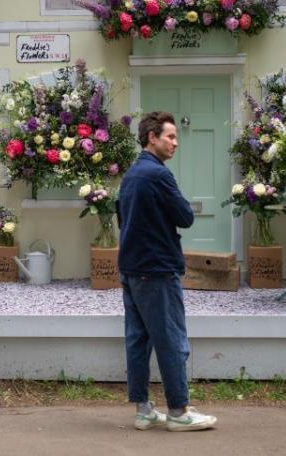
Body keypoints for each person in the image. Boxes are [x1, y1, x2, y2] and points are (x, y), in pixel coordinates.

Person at [117, 111, 217, 431]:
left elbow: (124, 220)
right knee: (172, 340)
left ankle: (143, 410)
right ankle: (178, 411)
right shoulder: (158, 175)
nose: (176, 143)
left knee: (138, 341)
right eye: (170, 137)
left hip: (131, 268)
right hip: (157, 270)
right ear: (152, 138)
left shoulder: (131, 174)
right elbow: (185, 216)